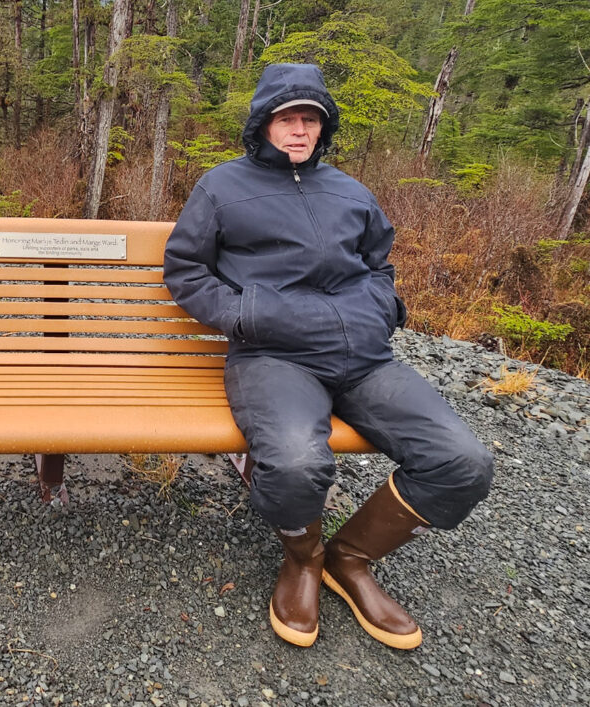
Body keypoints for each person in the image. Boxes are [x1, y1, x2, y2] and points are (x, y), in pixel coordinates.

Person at [163, 63, 493, 650]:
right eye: (287, 117)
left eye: (310, 119)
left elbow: (380, 265)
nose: (299, 129)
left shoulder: (350, 191)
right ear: (263, 123)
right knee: (293, 463)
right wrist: (245, 315)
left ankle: (351, 558)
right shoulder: (222, 187)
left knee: (462, 461)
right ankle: (303, 559)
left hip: (365, 359)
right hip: (274, 358)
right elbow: (186, 271)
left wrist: (384, 307)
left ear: (323, 127)